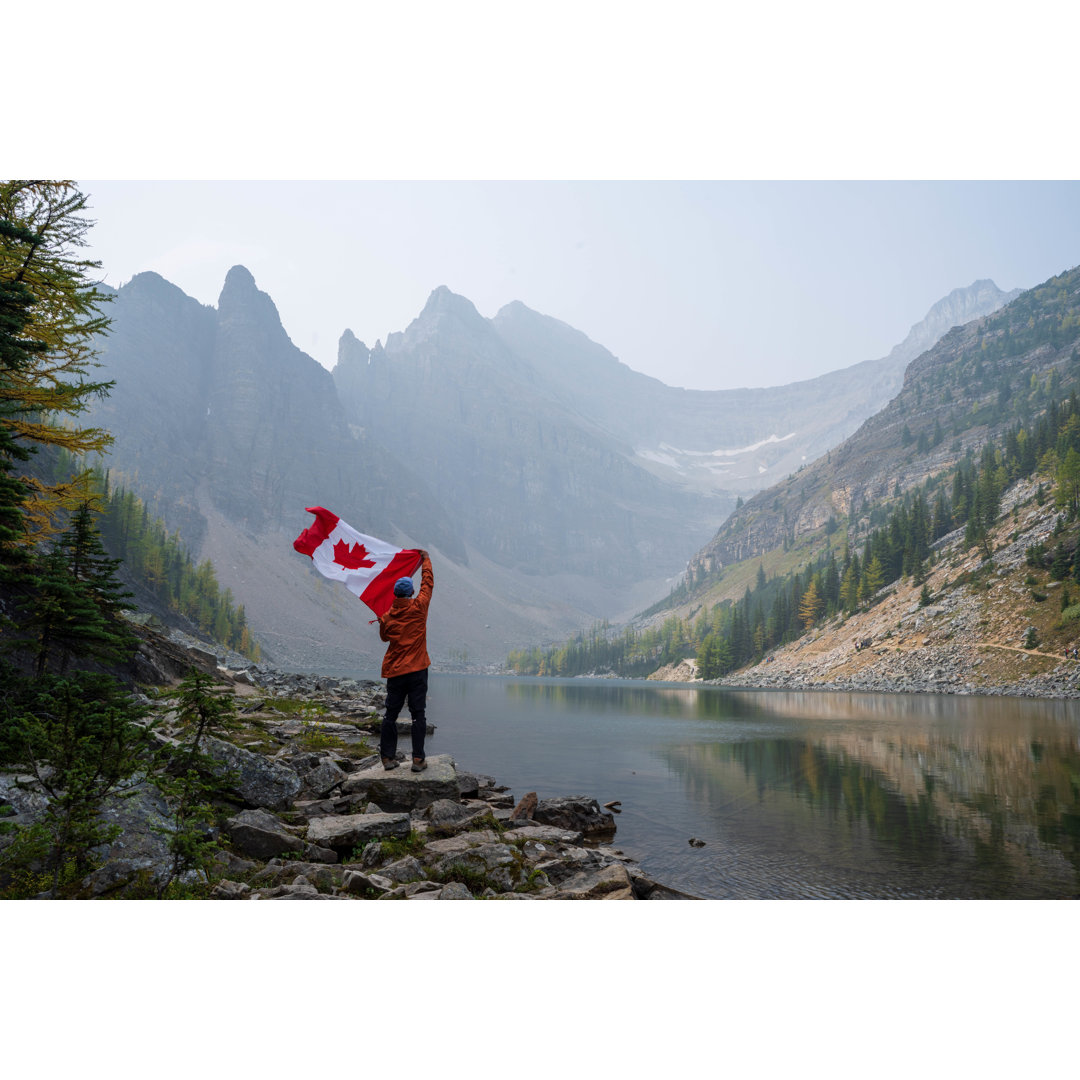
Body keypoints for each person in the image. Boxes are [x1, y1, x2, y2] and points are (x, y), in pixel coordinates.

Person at [378, 549, 434, 772]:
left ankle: (387, 758)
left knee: (390, 715)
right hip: (417, 669)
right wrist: (426, 560)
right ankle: (418, 760)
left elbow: (384, 638)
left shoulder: (387, 617)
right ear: (411, 592)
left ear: (395, 594)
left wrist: (386, 621)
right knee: (417, 714)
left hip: (395, 671)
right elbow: (427, 584)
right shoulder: (419, 607)